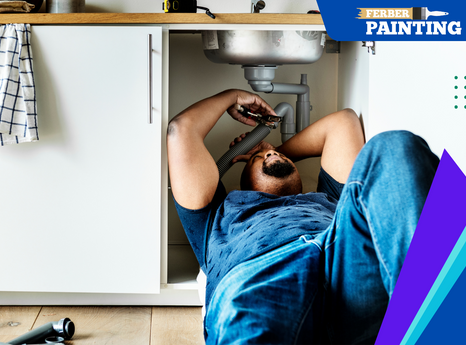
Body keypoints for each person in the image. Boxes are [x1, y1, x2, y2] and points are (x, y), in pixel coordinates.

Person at [167, 89, 440, 344]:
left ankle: (434, 318)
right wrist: (232, 96)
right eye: (257, 160)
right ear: (244, 183)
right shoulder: (218, 214)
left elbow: (343, 123)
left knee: (394, 147)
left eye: (273, 153)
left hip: (344, 263)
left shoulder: (329, 197)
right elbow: (181, 131)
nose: (270, 153)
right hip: (262, 276)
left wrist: (271, 152)